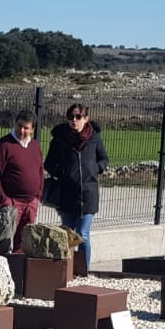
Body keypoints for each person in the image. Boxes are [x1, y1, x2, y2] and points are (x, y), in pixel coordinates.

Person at [44, 104, 108, 260]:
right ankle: (66, 268)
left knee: (83, 234)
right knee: (67, 234)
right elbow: (49, 164)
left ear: (86, 119)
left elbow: (104, 159)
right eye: (71, 116)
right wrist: (63, 174)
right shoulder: (60, 139)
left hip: (88, 193)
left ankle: (84, 270)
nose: (74, 120)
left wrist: (95, 169)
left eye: (78, 116)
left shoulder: (94, 139)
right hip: (67, 193)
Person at [0, 111, 43, 250]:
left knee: (24, 243)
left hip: (31, 204)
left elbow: (40, 171)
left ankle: (20, 270)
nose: (21, 130)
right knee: (4, 242)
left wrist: (38, 197)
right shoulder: (3, 146)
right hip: (12, 203)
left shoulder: (35, 146)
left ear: (33, 129)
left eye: (26, 128)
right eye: (19, 126)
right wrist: (4, 201)